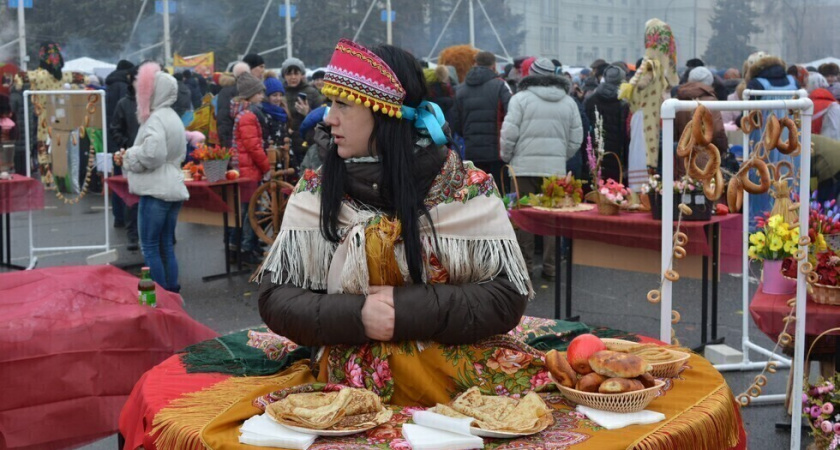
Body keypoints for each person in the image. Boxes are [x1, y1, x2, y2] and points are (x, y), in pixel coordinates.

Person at [257, 39, 536, 406]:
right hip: (346, 399)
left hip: (459, 396)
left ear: (385, 112)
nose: (329, 118)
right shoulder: (316, 191)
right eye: (330, 103)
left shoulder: (468, 190)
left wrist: (407, 310)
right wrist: (357, 315)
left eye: (343, 104)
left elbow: (506, 296)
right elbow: (276, 297)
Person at [500, 57, 583, 280]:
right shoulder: (568, 102)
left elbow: (509, 133)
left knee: (522, 216)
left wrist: (507, 157)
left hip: (522, 167)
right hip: (554, 169)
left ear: (530, 75)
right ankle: (551, 268)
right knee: (552, 218)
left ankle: (524, 268)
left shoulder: (520, 99)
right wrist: (560, 157)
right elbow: (577, 138)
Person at [114, 62, 188, 293]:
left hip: (156, 190)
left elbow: (153, 155)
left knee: (150, 246)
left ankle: (161, 297)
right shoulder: (173, 116)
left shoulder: (155, 119)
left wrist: (128, 155)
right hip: (173, 186)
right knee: (166, 245)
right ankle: (172, 291)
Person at [618, 18, 679, 190]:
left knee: (641, 156)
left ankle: (641, 194)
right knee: (647, 156)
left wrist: (630, 89)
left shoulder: (651, 64)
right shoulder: (659, 65)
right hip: (649, 116)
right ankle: (645, 192)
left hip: (643, 117)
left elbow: (640, 84)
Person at [453, 51, 512, 187]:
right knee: (499, 192)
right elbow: (511, 112)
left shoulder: (461, 89)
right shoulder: (501, 86)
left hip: (471, 150)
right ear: (494, 66)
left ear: (474, 64)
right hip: (497, 151)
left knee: (477, 195)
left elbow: (456, 121)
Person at [231, 72, 272, 264]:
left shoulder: (243, 113)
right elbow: (253, 146)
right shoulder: (248, 116)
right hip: (249, 171)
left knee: (250, 210)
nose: (262, 96)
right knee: (250, 211)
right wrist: (266, 167)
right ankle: (247, 248)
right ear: (251, 95)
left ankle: (248, 246)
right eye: (259, 93)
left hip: (245, 169)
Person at [673, 67, 729, 178]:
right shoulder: (711, 102)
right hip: (707, 157)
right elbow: (718, 131)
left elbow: (673, 133)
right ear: (709, 83)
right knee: (705, 189)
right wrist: (723, 149)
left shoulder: (677, 100)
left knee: (686, 189)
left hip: (684, 158)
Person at [110, 65, 142, 250]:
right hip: (131, 157)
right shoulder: (124, 103)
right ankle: (132, 235)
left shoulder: (155, 102)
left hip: (152, 157)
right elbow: (115, 128)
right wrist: (127, 145)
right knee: (132, 198)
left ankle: (163, 234)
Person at [584, 64, 630, 183]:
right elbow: (625, 134)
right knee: (614, 191)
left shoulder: (590, 99)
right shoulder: (623, 102)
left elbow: (585, 128)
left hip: (594, 152)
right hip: (616, 154)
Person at [106, 60, 135, 230]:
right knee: (126, 182)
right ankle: (125, 216)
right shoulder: (123, 88)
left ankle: (118, 216)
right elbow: (127, 116)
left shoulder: (110, 84)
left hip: (114, 140)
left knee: (117, 180)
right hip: (124, 141)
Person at [280, 57, 325, 169]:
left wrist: (308, 113)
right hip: (286, 143)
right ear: (284, 76)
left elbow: (323, 117)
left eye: (296, 73)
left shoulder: (312, 92)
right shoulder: (279, 93)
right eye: (289, 74)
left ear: (302, 74)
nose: (293, 77)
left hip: (307, 141)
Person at [216, 62, 250, 148]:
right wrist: (228, 145)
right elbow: (224, 120)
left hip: (238, 141)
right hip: (237, 141)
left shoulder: (226, 91)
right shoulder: (231, 92)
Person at [261, 76, 289, 149]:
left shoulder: (283, 111)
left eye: (280, 95)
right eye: (274, 95)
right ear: (266, 97)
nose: (278, 98)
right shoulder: (263, 113)